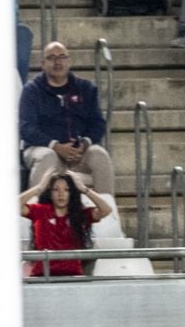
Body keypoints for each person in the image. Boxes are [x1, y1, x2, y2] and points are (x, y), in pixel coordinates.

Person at [19, 42, 114, 195]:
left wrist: (84, 144)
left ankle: (108, 214)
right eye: (51, 58)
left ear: (69, 61)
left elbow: (97, 123)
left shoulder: (86, 88)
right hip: (43, 148)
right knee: (47, 157)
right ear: (42, 64)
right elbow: (26, 128)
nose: (58, 62)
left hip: (78, 152)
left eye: (62, 57)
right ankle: (35, 212)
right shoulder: (31, 90)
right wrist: (56, 146)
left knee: (99, 155)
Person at [19, 172, 105, 278]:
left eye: (66, 190)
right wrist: (39, 187)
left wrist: (84, 189)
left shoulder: (79, 214)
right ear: (50, 193)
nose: (61, 194)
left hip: (73, 276)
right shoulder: (40, 211)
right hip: (42, 276)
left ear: (72, 193)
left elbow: (105, 210)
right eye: (56, 189)